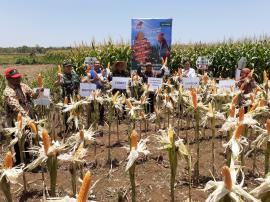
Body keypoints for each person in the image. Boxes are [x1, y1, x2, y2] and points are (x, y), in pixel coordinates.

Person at [3, 67, 43, 164]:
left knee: (29, 138)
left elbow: (33, 95)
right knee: (18, 141)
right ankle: (20, 161)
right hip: (16, 121)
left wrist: (40, 90)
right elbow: (17, 108)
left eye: (18, 77)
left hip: (27, 116)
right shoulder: (8, 92)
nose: (18, 79)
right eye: (15, 78)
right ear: (8, 79)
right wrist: (28, 119)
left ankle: (29, 158)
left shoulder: (23, 86)